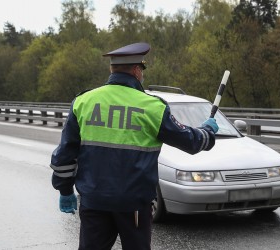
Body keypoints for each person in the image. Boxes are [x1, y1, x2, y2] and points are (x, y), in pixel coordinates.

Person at [50, 42, 218, 250]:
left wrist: (64, 189)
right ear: (137, 71)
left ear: (112, 69)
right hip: (134, 205)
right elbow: (190, 142)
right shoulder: (152, 106)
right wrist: (207, 132)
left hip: (94, 201)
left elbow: (65, 154)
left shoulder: (83, 102)